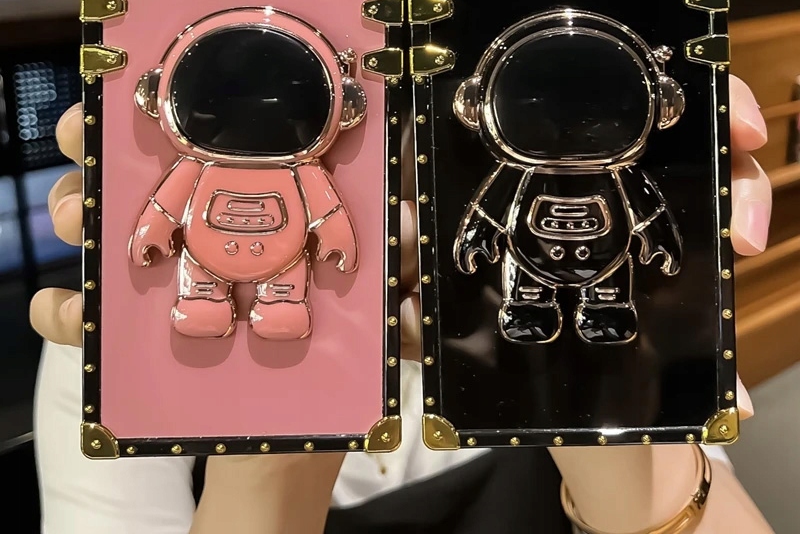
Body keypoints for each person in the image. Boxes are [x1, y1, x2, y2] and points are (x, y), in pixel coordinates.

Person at [31, 75, 774, 533]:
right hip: (222, 286)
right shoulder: (121, 332)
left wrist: (600, 405)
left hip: (568, 287)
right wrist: (280, 416)